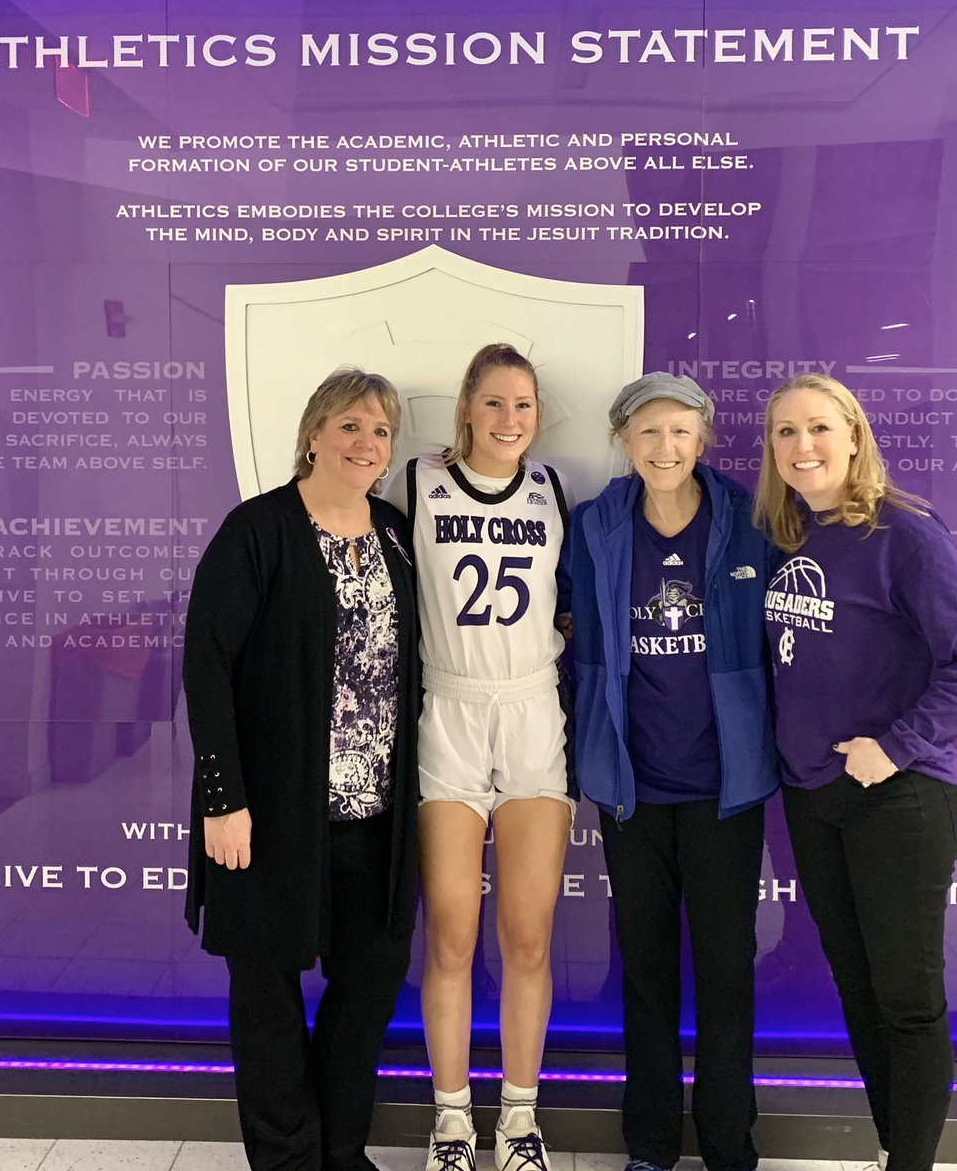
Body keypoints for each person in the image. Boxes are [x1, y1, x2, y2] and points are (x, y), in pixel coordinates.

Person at [755, 374, 957, 1171]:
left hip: (898, 798)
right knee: (857, 990)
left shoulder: (904, 533)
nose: (803, 446)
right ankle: (896, 1146)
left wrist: (893, 746)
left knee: (906, 1000)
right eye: (785, 432)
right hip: (813, 800)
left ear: (854, 436)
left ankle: (910, 1164)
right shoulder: (786, 533)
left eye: (819, 428)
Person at [182, 367, 420, 1171]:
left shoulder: (392, 531)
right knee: (268, 998)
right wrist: (224, 801)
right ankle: (287, 1160)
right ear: (313, 433)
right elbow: (207, 666)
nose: (365, 443)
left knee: (367, 991)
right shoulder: (259, 529)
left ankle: (339, 1152)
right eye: (349, 425)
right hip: (270, 814)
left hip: (376, 819)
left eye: (380, 430)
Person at [564, 371, 779, 1171]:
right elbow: (566, 635)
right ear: (622, 439)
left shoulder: (752, 523)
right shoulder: (593, 527)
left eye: (681, 432)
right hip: (633, 791)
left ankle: (729, 1146)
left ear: (704, 439)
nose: (665, 448)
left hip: (726, 791)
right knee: (645, 974)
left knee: (726, 974)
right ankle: (649, 1145)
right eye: (648, 432)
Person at [384, 343, 573, 1171]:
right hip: (448, 711)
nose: (508, 420)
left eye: (523, 405)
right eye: (493, 404)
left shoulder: (552, 486)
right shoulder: (415, 482)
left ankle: (521, 1123)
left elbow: (567, 599)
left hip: (532, 711)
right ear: (465, 407)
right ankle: (453, 1124)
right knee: (453, 936)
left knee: (527, 936)